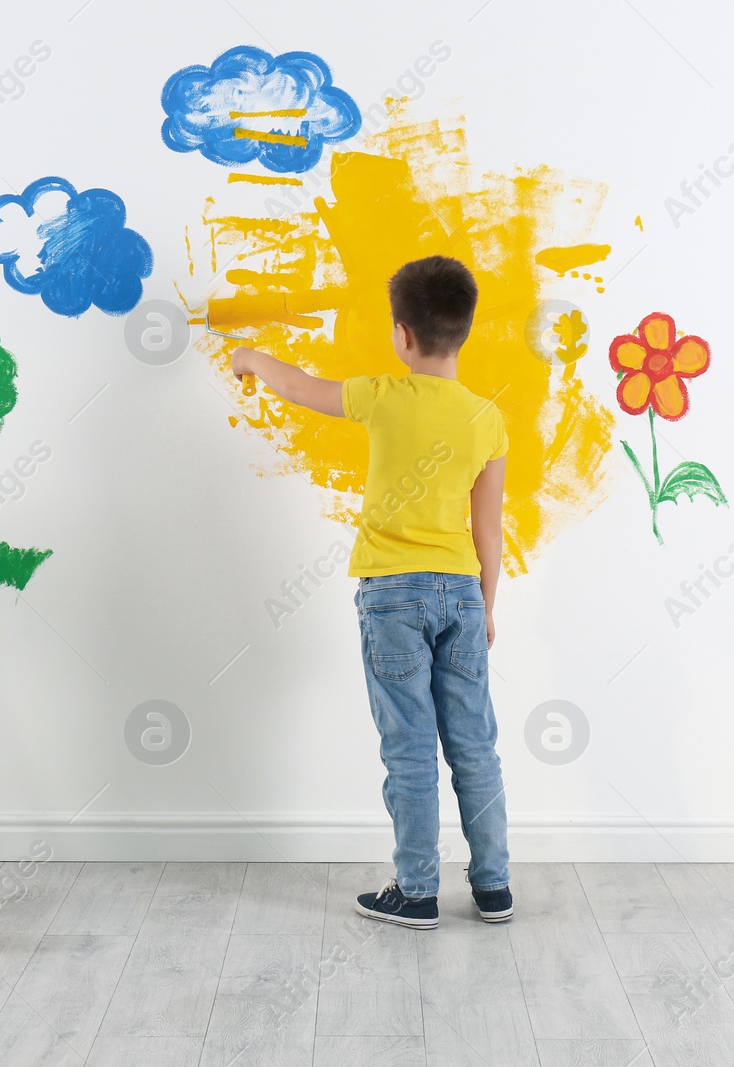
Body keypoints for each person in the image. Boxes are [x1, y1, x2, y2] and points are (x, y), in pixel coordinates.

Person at [229, 255, 512, 928]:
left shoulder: (382, 395)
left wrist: (249, 357)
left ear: (402, 335)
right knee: (474, 744)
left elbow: (299, 387)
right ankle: (494, 885)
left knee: (410, 745)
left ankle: (417, 890)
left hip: (391, 595)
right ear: (464, 331)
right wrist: (487, 606)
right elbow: (489, 530)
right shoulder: (487, 420)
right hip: (462, 595)